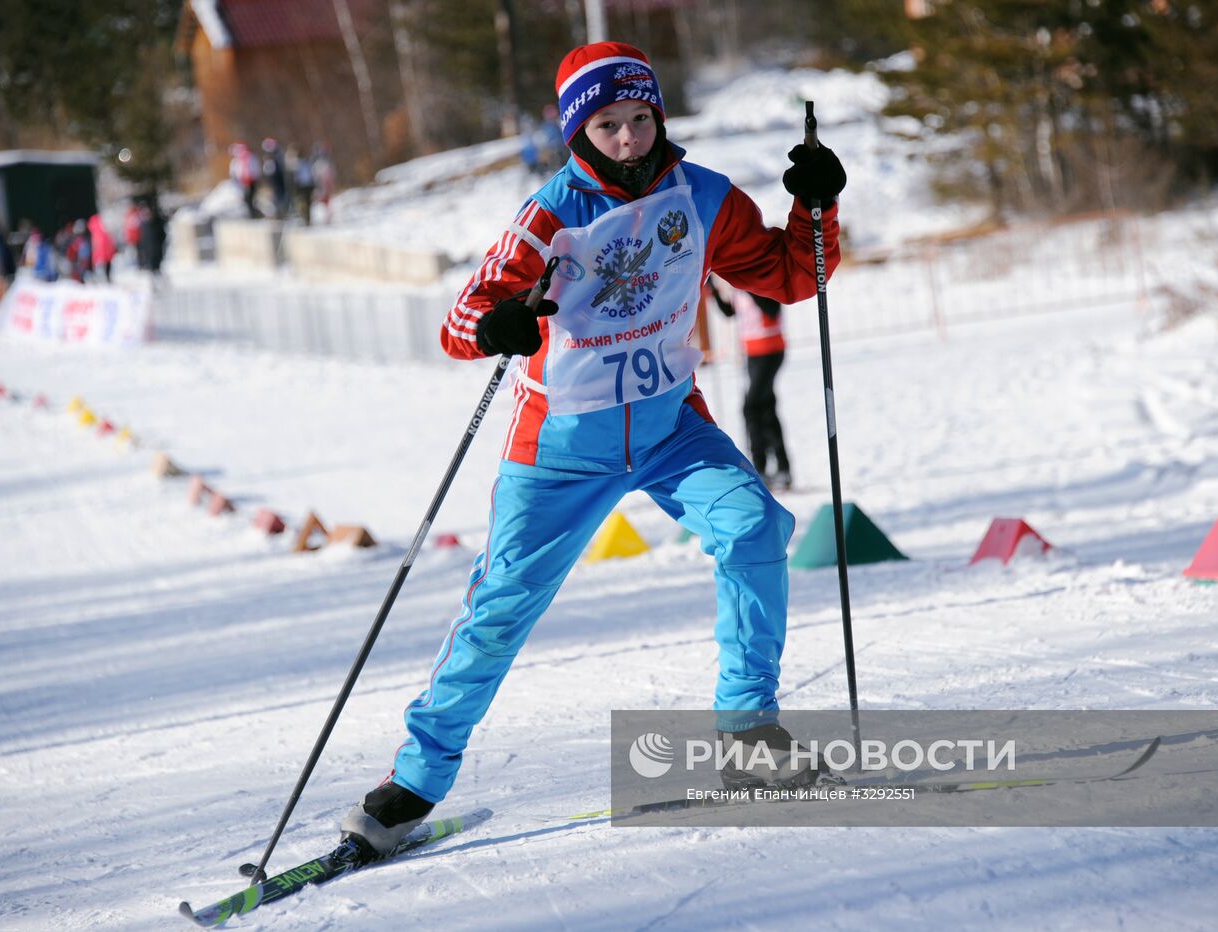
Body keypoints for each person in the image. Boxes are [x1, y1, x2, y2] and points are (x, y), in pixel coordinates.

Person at [339, 42, 845, 857]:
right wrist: (498, 325)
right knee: (501, 608)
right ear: (579, 130)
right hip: (561, 448)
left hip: (670, 427)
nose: (630, 138)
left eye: (641, 118)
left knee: (755, 528)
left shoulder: (703, 196)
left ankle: (749, 735)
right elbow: (461, 321)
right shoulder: (551, 215)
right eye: (609, 125)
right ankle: (415, 782)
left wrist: (815, 208)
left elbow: (792, 276)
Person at [710, 275, 792, 490]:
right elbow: (730, 312)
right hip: (753, 352)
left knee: (751, 408)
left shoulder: (759, 280)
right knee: (766, 408)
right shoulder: (739, 282)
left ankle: (760, 467)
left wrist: (746, 283)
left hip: (770, 350)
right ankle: (782, 467)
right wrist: (713, 288)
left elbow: (772, 309)